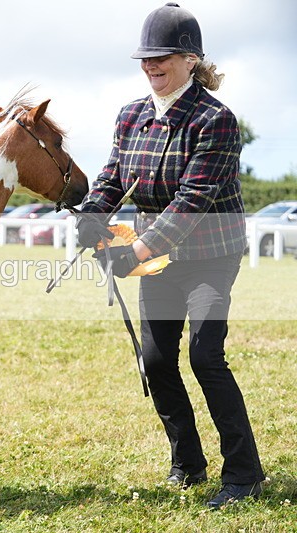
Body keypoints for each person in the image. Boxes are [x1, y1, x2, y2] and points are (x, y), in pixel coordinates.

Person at [76, 2, 265, 509]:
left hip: (209, 255)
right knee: (157, 360)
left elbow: (192, 203)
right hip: (157, 260)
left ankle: (245, 474)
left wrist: (132, 251)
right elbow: (115, 176)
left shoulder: (215, 121)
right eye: (145, 58)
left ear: (191, 59)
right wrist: (91, 214)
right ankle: (188, 464)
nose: (150, 66)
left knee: (206, 357)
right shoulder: (131, 115)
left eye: (161, 57)